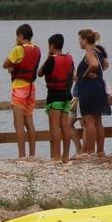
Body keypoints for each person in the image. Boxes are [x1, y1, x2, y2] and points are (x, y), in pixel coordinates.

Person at [3, 23, 41, 158]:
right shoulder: (36, 49)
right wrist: (15, 68)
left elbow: (5, 64)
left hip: (19, 88)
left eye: (17, 36)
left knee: (18, 122)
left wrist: (16, 46)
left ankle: (22, 155)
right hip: (31, 88)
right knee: (29, 121)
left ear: (20, 35)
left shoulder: (18, 49)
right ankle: (32, 154)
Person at [38, 33, 75, 161]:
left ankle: (56, 156)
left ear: (52, 46)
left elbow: (40, 73)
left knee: (54, 127)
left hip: (55, 96)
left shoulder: (51, 59)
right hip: (67, 95)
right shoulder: (69, 58)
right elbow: (71, 75)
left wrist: (48, 56)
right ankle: (66, 156)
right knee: (65, 126)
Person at [75, 29, 110, 157]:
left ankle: (90, 151)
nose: (79, 42)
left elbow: (94, 64)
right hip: (98, 87)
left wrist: (85, 74)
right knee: (98, 121)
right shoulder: (98, 51)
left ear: (85, 40)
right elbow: (105, 64)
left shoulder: (89, 52)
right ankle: (100, 151)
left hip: (88, 89)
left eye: (80, 40)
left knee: (88, 121)